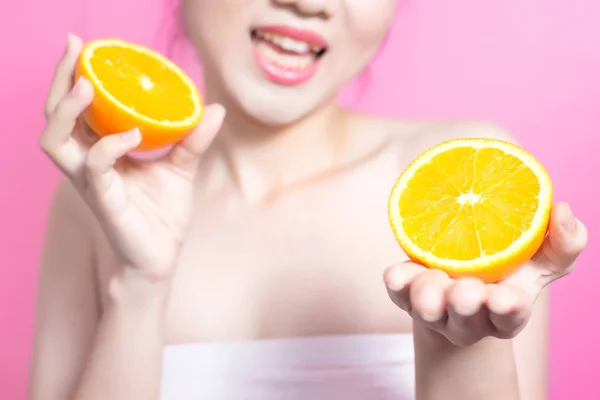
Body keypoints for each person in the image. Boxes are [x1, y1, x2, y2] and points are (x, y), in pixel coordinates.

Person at [28, 0, 588, 399]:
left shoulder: (464, 178)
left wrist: (464, 344)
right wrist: (141, 283)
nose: (309, 2)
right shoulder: (96, 204)